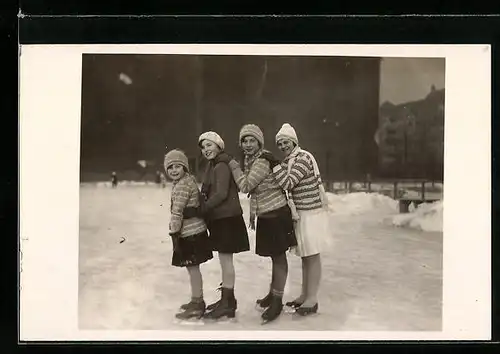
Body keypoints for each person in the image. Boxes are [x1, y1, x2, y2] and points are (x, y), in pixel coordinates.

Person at [227, 124, 297, 323]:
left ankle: (277, 300)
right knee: (274, 257)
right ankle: (273, 294)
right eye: (244, 141)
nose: (248, 145)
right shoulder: (253, 159)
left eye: (252, 141)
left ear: (259, 142)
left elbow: (246, 185)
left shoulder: (262, 160)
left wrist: (234, 167)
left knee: (278, 257)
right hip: (267, 214)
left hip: (276, 213)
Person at [260, 123, 330, 316]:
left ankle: (312, 298)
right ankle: (304, 295)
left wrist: (274, 164)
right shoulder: (289, 161)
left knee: (312, 255)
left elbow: (287, 183)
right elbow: (276, 178)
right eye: (279, 144)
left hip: (311, 213)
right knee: (305, 257)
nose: (283, 146)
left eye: (286, 142)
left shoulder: (303, 158)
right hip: (302, 213)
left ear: (294, 141)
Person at [186, 131, 250, 320]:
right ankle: (227, 300)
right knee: (225, 260)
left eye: (209, 145)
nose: (206, 150)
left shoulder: (221, 165)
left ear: (218, 146)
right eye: (203, 147)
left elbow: (221, 194)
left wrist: (202, 208)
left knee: (226, 261)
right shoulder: (214, 165)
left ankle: (228, 303)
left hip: (227, 219)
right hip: (222, 218)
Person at [164, 149, 213, 320]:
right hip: (195, 231)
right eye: (170, 167)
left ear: (185, 167)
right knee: (193, 269)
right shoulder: (185, 181)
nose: (174, 170)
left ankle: (197, 303)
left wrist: (174, 231)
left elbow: (177, 211)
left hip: (190, 233)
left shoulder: (183, 185)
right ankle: (196, 300)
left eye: (178, 166)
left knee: (192, 269)